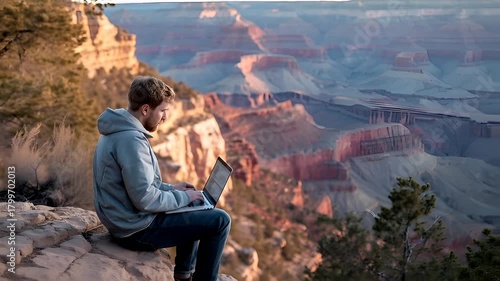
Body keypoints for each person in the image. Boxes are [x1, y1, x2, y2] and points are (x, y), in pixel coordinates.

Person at [93, 76, 231, 281]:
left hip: (125, 220)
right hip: (135, 229)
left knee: (196, 206)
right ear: (146, 110)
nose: (165, 117)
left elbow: (139, 186)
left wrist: (173, 189)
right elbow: (144, 198)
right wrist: (184, 198)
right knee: (220, 220)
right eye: (163, 111)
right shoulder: (131, 141)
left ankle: (185, 274)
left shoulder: (120, 130)